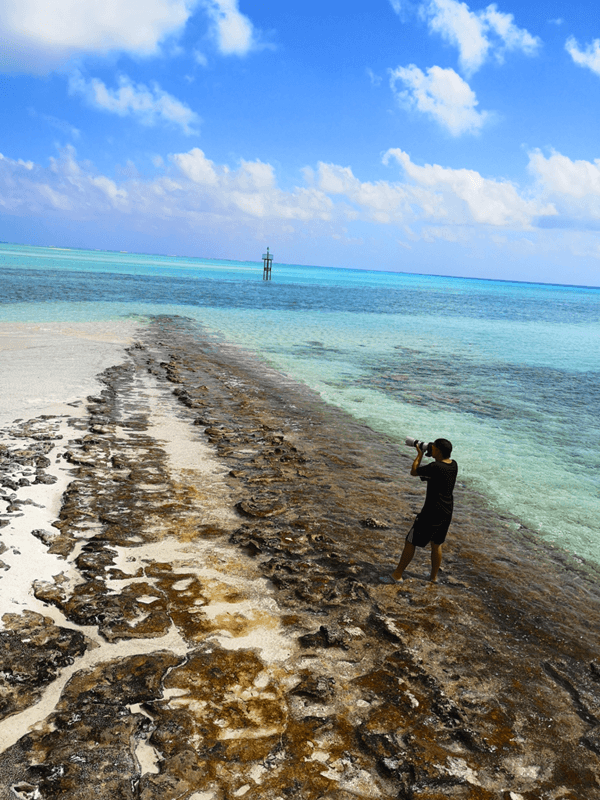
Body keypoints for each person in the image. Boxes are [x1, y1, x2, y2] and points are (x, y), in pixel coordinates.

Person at [392, 438, 457, 583]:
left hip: (431, 512)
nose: (431, 448)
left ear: (438, 451)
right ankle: (433, 577)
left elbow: (414, 472)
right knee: (436, 544)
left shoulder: (435, 467)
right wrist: (429, 451)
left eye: (433, 447)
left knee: (410, 541)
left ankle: (397, 575)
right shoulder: (453, 465)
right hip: (446, 512)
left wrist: (420, 454)